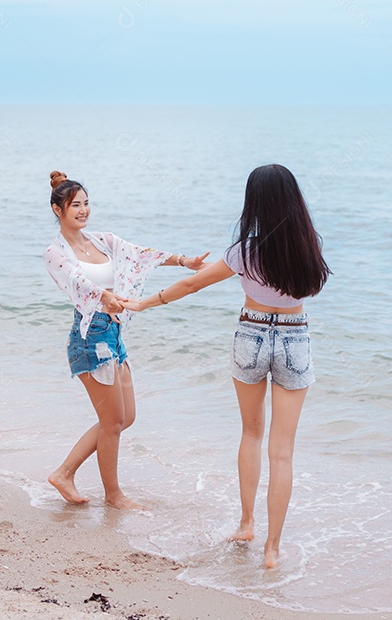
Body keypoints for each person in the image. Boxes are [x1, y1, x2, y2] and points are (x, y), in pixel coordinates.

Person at [122, 164, 330, 567]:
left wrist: (142, 302)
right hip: (295, 337)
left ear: (255, 203)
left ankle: (247, 523)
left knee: (251, 433)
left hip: (250, 334)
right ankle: (272, 549)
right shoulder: (309, 245)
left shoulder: (245, 251)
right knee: (282, 451)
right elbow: (312, 287)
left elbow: (191, 284)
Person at [44, 170, 207, 510]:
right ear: (58, 210)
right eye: (76, 205)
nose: (84, 211)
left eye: (87, 204)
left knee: (124, 417)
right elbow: (76, 283)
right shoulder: (55, 252)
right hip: (90, 336)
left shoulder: (103, 240)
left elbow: (140, 254)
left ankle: (64, 472)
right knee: (112, 422)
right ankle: (113, 495)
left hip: (114, 333)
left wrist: (183, 261)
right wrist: (105, 296)